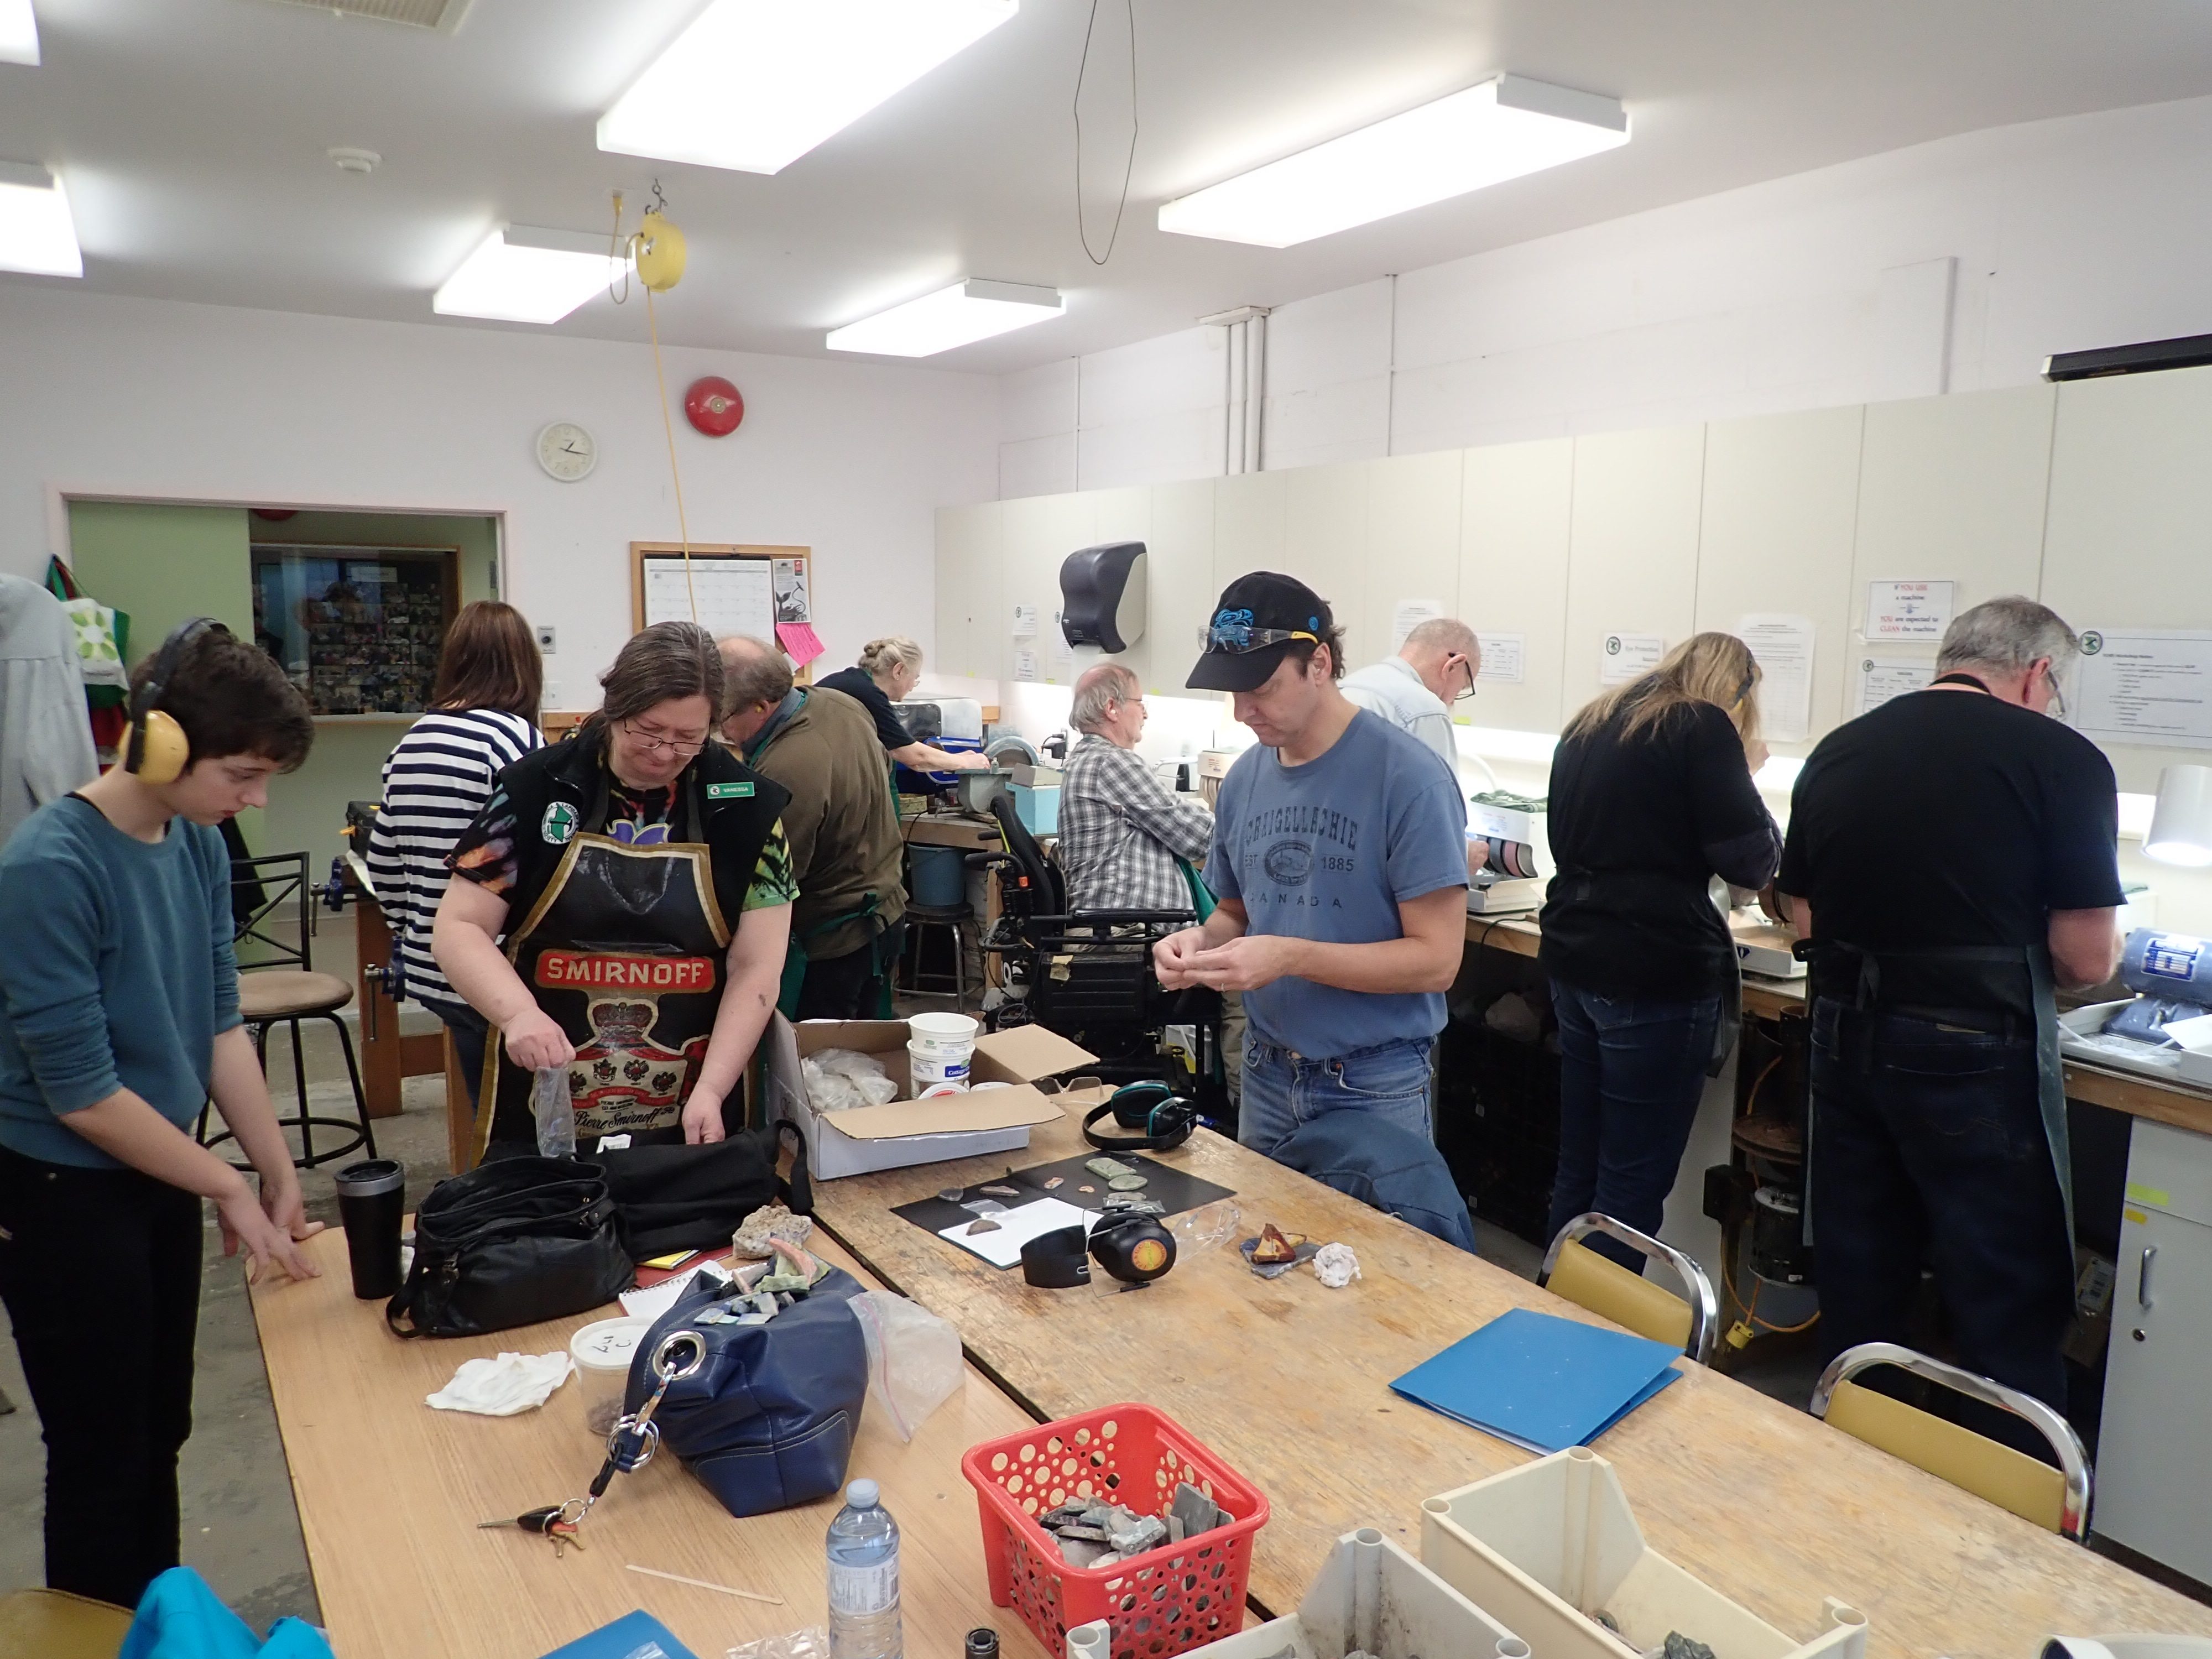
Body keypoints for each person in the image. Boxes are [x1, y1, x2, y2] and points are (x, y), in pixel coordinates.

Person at [0, 620, 322, 1610]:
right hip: (59, 1187)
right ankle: (102, 1630)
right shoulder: (49, 868)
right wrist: (227, 1184)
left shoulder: (195, 841)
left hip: (158, 1166)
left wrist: (273, 1167)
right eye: (242, 775)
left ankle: (159, 1619)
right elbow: (84, 1096)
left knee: (161, 1428)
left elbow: (219, 1017)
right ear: (158, 744)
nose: (256, 800)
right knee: (100, 1449)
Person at [1777, 596, 2121, 1428]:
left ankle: (1858, 1454)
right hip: (1975, 1055)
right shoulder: (2062, 759)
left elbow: (1802, 915)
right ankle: (2003, 1484)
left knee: (1862, 1278)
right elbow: (2085, 959)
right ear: (2039, 674)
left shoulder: (1840, 749)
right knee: (2004, 1293)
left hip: (1845, 1042)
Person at [433, 622, 796, 1156]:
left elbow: (756, 968)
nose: (664, 753)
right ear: (614, 705)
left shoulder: (747, 809)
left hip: (693, 1076)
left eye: (688, 737)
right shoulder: (536, 791)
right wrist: (516, 1015)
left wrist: (713, 1088)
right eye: (648, 731)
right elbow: (460, 926)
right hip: (549, 1070)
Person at [1154, 573, 1468, 1157]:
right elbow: (1234, 914)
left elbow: (1437, 962)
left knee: (1370, 1226)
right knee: (1259, 1222)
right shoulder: (1244, 779)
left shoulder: (1409, 778)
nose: (1243, 711)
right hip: (1266, 1072)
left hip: (1372, 1083)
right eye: (1233, 692)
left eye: (1262, 688)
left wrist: (1289, 957)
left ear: (1318, 664)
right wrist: (1198, 943)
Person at [1537, 633, 1781, 1269]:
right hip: (1653, 970)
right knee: (1630, 1186)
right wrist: (1745, 774)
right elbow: (1752, 863)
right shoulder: (1702, 727)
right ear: (1736, 692)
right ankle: (1597, 1326)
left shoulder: (1591, 722)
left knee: (1579, 1167)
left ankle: (1551, 1307)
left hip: (1573, 957)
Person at [366, 600, 544, 1109]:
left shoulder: (412, 740)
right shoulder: (511, 739)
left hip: (433, 965)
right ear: (524, 664)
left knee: (482, 1107)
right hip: (494, 970)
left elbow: (384, 861)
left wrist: (415, 931)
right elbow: (540, 858)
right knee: (524, 1119)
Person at [717, 635, 907, 1020]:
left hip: (835, 940)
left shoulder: (786, 768)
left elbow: (777, 878)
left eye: (722, 719)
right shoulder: (840, 703)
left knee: (820, 1052)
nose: (722, 733)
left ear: (761, 706)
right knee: (869, 1044)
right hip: (886, 912)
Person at [1342, 618, 1492, 884]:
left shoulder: (1346, 686)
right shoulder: (1423, 709)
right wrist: (1463, 854)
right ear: (1454, 665)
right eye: (1461, 689)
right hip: (1380, 877)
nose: (1453, 700)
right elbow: (1437, 819)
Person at [1057, 662, 1214, 912]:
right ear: (1112, 708)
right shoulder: (1111, 762)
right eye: (1140, 703)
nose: (1145, 714)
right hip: (1131, 927)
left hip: (1118, 922)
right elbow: (1199, 836)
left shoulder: (1088, 758)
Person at [818, 635, 989, 772]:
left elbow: (905, 749)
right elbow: (912, 756)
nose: (912, 687)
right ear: (899, 671)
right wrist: (965, 763)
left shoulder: (853, 682)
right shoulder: (868, 693)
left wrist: (955, 759)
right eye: (915, 678)